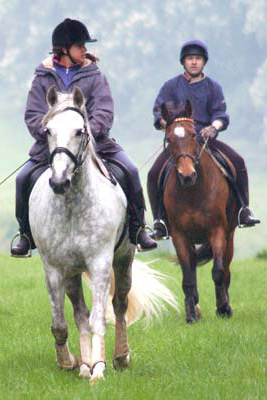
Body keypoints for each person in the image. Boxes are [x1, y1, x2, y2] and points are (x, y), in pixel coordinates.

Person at [11, 18, 157, 257]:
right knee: (22, 178)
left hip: (94, 144)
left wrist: (87, 133)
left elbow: (105, 111)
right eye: (80, 46)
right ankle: (25, 235)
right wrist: (51, 135)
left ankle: (138, 228)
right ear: (64, 50)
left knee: (130, 170)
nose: (85, 50)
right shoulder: (42, 77)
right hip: (52, 146)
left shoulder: (94, 76)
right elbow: (33, 114)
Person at [147, 39, 260, 240]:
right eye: (190, 58)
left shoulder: (213, 87)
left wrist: (213, 128)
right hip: (180, 143)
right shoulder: (171, 86)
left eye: (198, 59)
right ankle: (160, 221)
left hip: (205, 139)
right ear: (183, 62)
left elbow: (221, 115)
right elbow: (158, 112)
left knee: (238, 162)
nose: (193, 62)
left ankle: (244, 209)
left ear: (204, 62)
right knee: (154, 173)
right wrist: (171, 128)